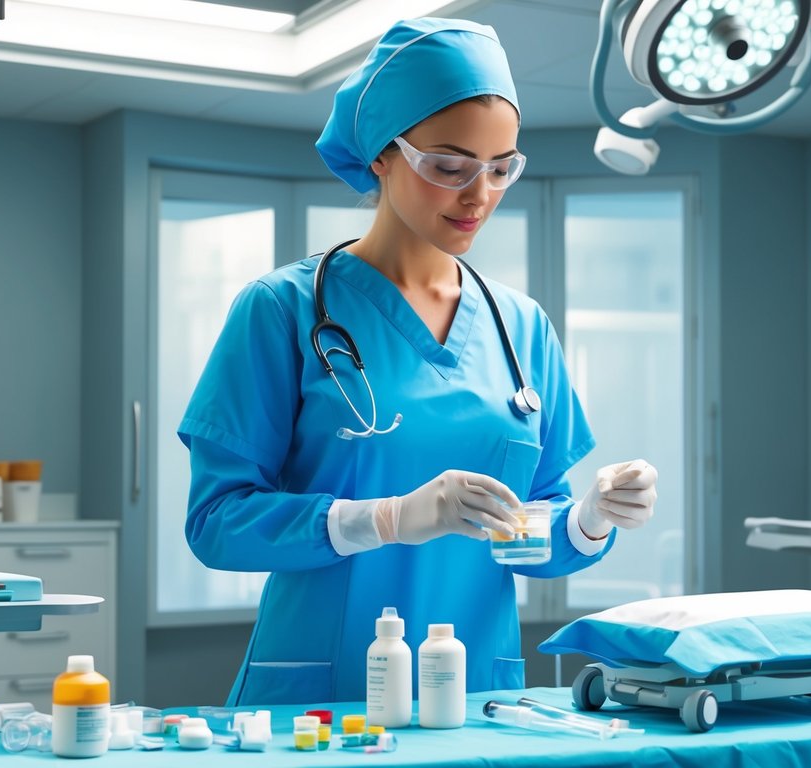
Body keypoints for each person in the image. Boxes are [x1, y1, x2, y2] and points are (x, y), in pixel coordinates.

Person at [178, 16, 658, 707]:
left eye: (501, 169)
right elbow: (216, 524)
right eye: (450, 167)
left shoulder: (519, 327)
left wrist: (586, 518)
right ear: (380, 155)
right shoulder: (280, 310)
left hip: (477, 696)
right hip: (322, 691)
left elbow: (524, 535)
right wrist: (385, 519)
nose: (479, 195)